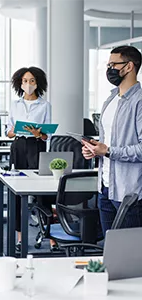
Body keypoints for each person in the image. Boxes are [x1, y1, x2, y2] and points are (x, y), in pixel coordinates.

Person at [82, 45, 142, 236]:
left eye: (113, 64)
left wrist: (108, 151)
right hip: (105, 187)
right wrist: (93, 149)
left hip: (128, 192)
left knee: (129, 254)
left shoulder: (139, 101)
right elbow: (107, 141)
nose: (109, 69)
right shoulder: (110, 100)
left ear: (129, 66)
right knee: (110, 250)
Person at [7, 66, 56, 252]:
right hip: (18, 146)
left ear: (38, 84)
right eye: (25, 81)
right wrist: (14, 131)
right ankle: (20, 238)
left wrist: (38, 133)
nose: (28, 84)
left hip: (37, 147)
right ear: (20, 83)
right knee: (18, 192)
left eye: (32, 81)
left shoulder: (45, 105)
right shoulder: (14, 105)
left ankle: (51, 237)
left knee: (43, 193)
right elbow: (9, 131)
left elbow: (47, 136)